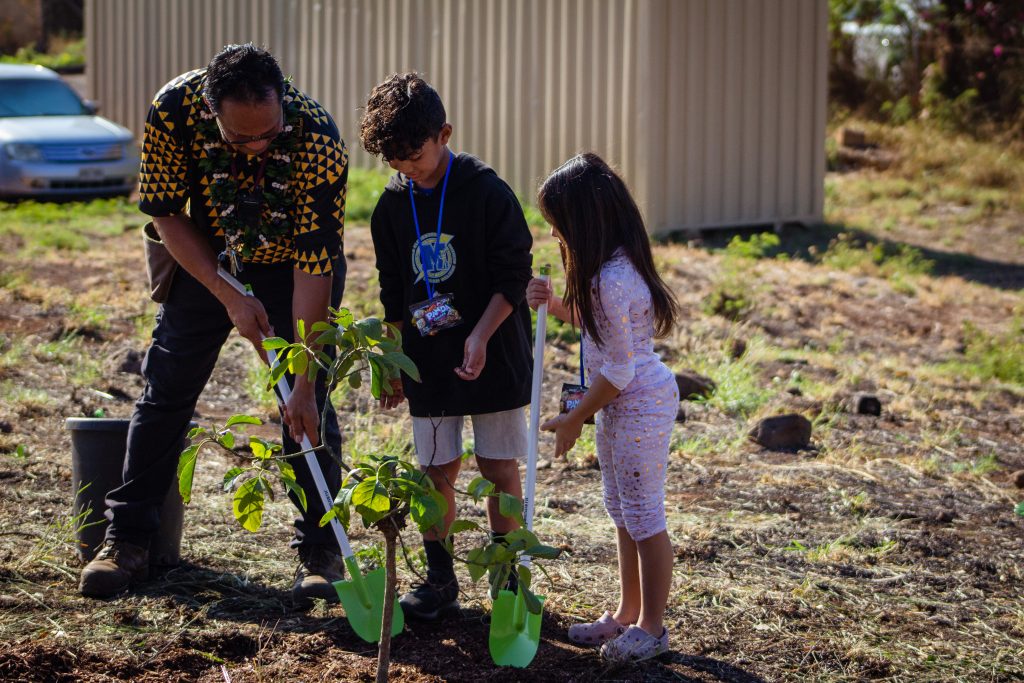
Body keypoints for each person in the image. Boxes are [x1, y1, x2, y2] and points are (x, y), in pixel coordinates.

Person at [78, 43, 349, 606]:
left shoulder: (318, 140)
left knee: (307, 406)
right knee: (166, 388)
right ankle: (126, 539)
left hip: (292, 267)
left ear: (283, 104)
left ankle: (321, 551)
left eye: (269, 134)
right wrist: (227, 294)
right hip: (207, 255)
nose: (257, 147)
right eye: (241, 138)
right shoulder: (173, 109)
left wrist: (301, 380)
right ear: (211, 109)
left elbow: (315, 264)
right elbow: (164, 212)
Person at [360, 73, 534, 621]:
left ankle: (507, 580)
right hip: (429, 355)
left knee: (498, 464)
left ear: (445, 133)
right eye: (395, 161)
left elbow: (513, 276)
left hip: (495, 346)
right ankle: (440, 579)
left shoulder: (486, 191)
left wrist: (480, 336)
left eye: (415, 154)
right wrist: (391, 358)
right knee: (436, 468)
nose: (408, 168)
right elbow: (393, 290)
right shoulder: (391, 206)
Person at [528, 152, 680, 663]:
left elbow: (618, 370)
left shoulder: (613, 278)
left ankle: (652, 628)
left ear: (583, 222)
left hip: (637, 403)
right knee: (621, 509)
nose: (555, 237)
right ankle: (626, 613)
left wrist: (574, 418)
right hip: (621, 404)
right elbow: (600, 328)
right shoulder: (610, 269)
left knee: (644, 515)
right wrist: (553, 304)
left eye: (558, 226)